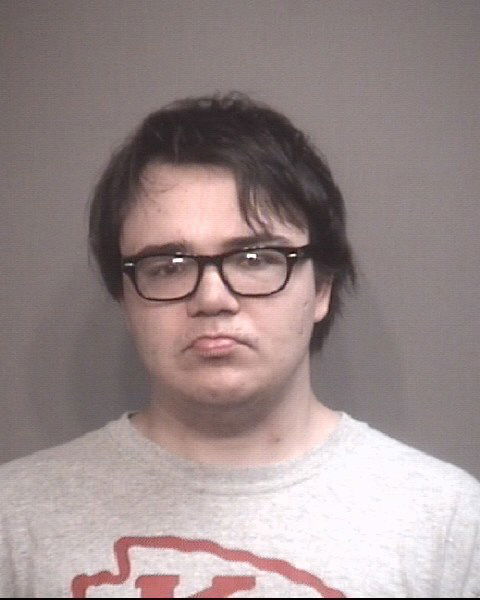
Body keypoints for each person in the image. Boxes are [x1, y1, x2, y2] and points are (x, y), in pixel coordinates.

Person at [1, 92, 478, 599]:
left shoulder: (449, 526)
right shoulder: (16, 518)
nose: (212, 298)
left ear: (322, 288)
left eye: (254, 259)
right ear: (126, 301)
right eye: (167, 267)